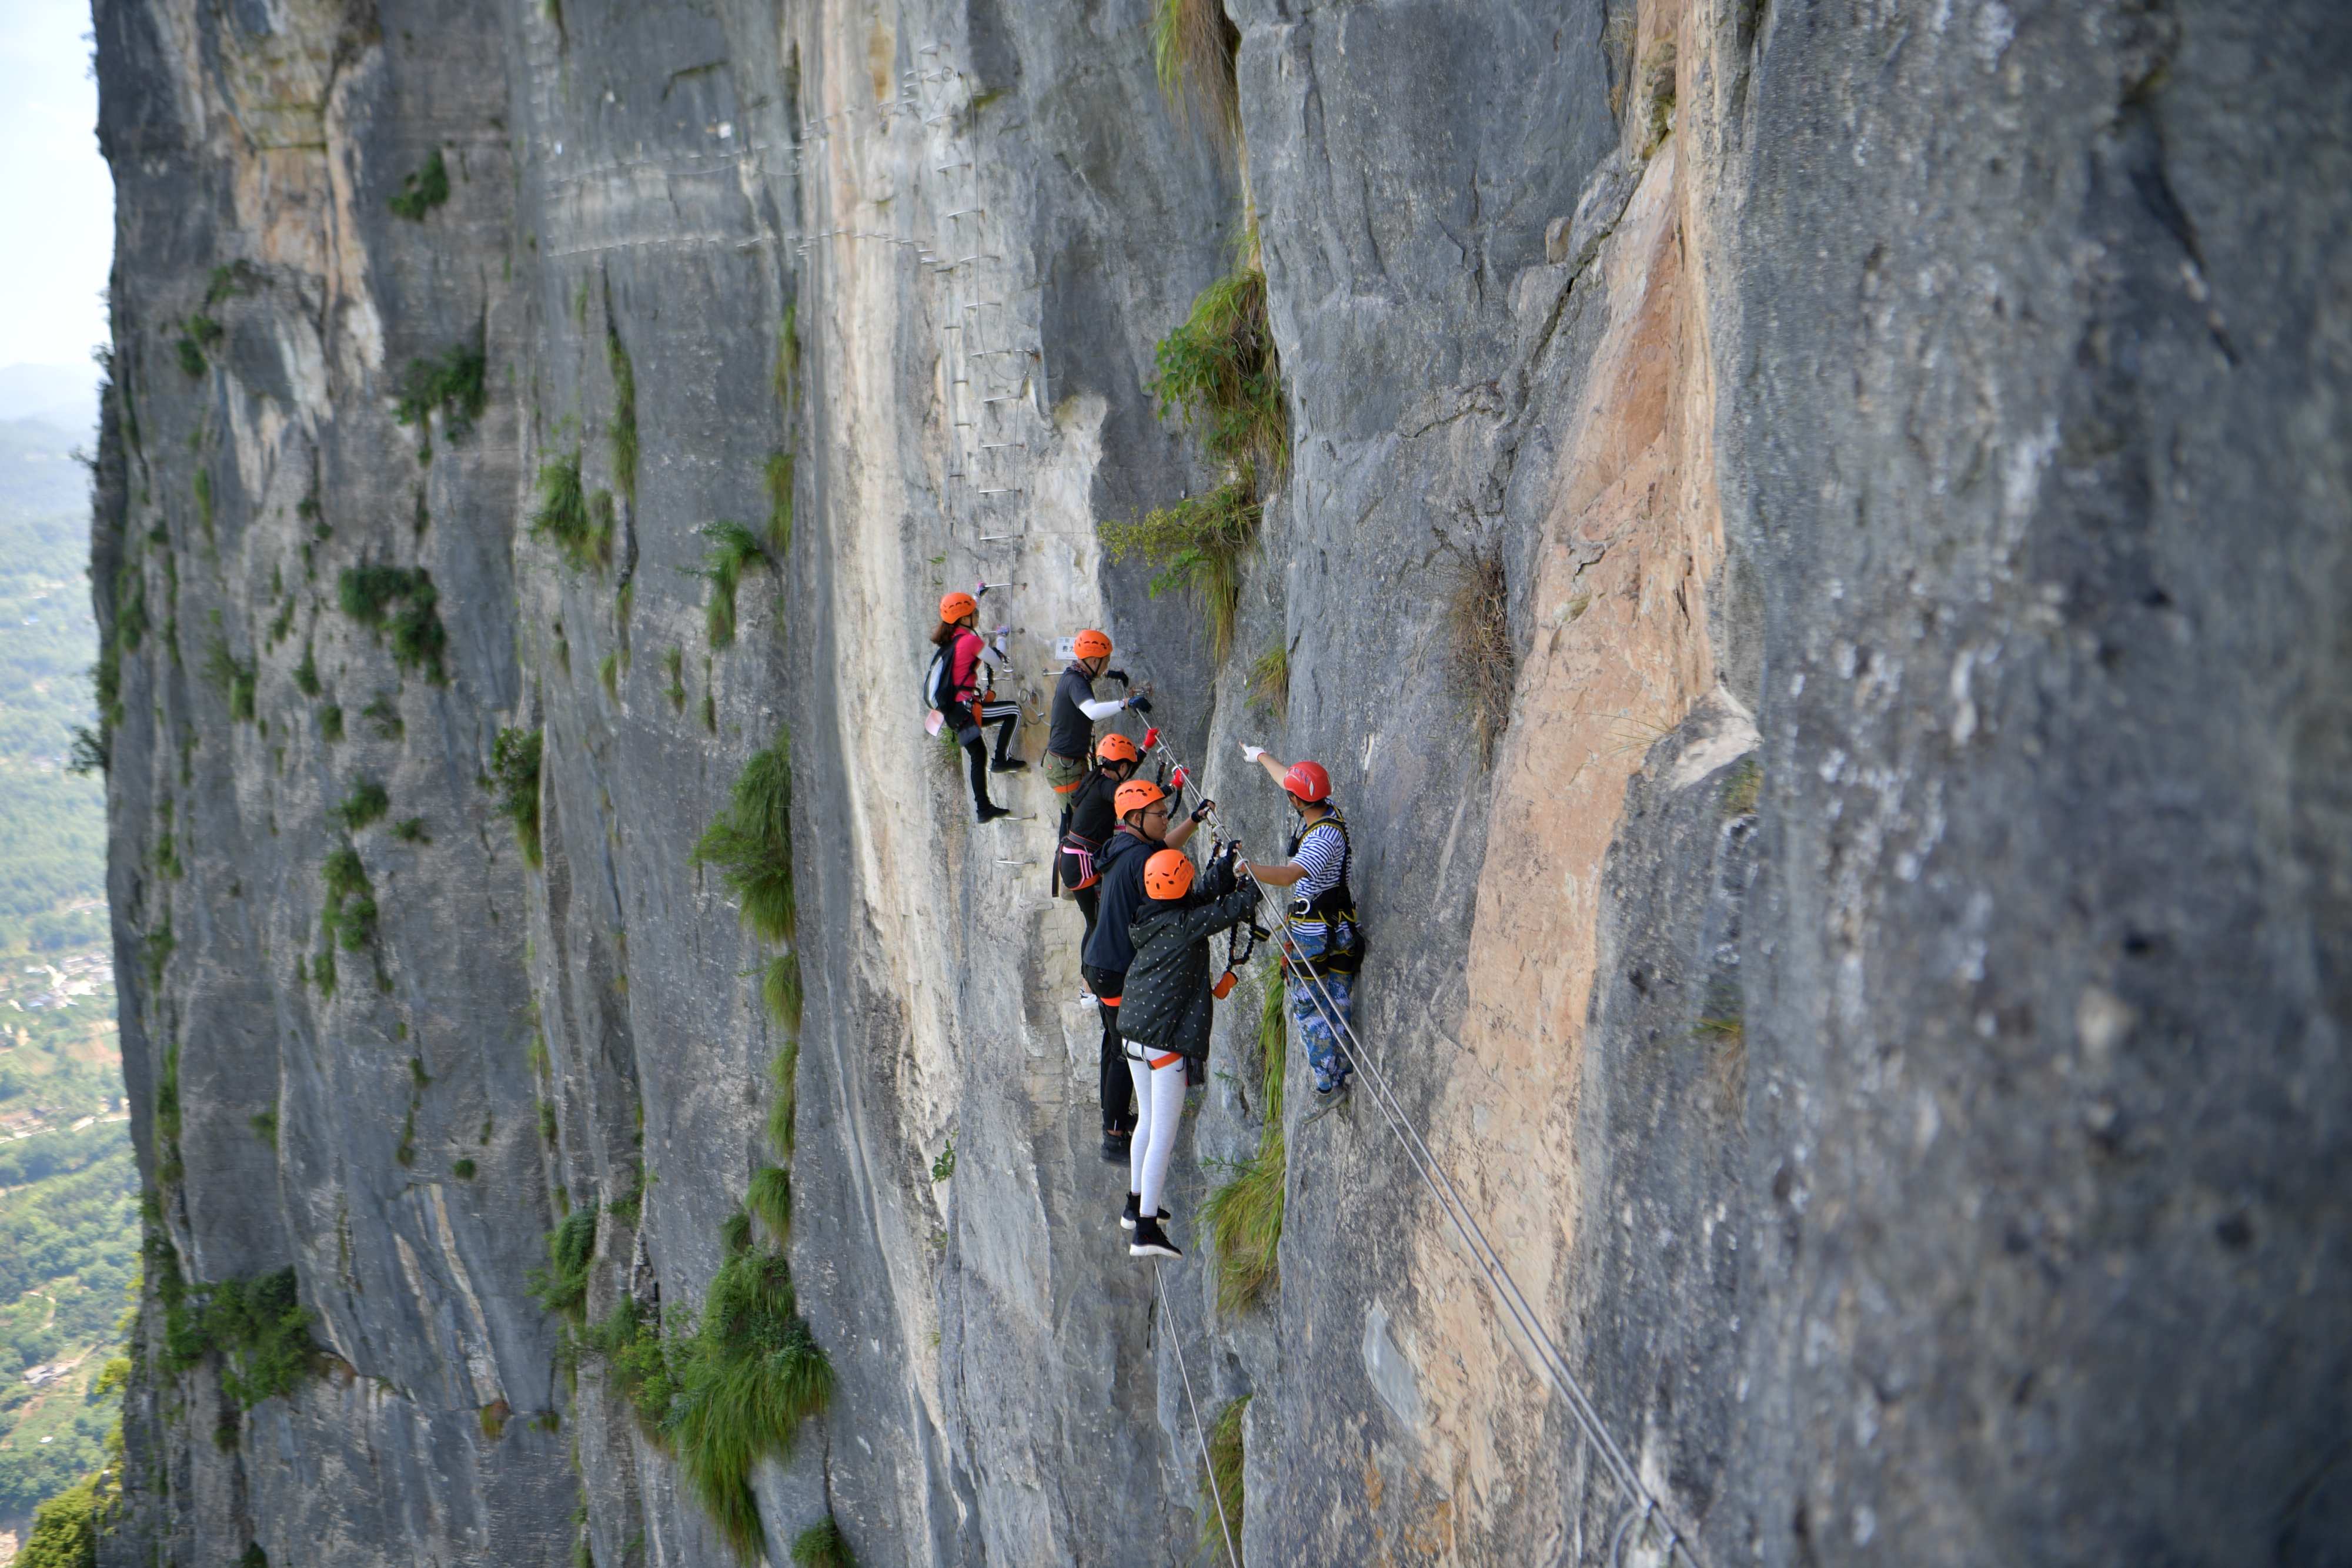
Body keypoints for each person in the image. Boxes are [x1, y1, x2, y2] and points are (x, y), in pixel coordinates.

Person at [1115, 844, 1258, 1259]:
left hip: (1134, 1036)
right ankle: (1144, 1229)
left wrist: (1224, 867)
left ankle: (1134, 1203)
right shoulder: (1184, 923)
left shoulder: (1151, 915)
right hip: (1163, 1045)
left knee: (1146, 1122)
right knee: (1163, 1132)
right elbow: (1230, 909)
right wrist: (1247, 882)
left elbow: (1196, 898)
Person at [1079, 776, 1211, 1162]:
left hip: (1102, 961)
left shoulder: (1124, 846)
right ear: (1136, 817)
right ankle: (1115, 1137)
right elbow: (1162, 867)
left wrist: (1194, 821)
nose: (1166, 818)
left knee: (1115, 1041)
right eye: (1159, 813)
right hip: (1116, 968)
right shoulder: (1139, 857)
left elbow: (1161, 852)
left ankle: (1114, 1123)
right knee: (1126, 1050)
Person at [1239, 748, 1361, 1108]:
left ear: (1298, 800)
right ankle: (1341, 1065)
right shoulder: (1327, 809)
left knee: (1310, 1007)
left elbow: (1291, 874)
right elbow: (1290, 780)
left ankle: (1328, 1085)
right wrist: (1260, 756)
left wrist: (1250, 867)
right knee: (1337, 996)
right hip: (1339, 925)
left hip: (1312, 931)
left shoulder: (1321, 840)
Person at [1055, 733, 1142, 1147]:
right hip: (1082, 860)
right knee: (1098, 920)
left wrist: (1142, 748)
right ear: (1119, 766)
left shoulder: (1095, 779)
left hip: (1070, 858)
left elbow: (1126, 786)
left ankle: (1088, 981)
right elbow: (1131, 795)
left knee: (1095, 918)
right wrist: (1172, 789)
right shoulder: (1110, 785)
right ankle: (1087, 983)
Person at [928, 591, 1024, 823]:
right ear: (964, 619)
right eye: (975, 613)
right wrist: (1002, 637)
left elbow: (963, 616)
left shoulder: (950, 640)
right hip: (968, 710)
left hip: (953, 713)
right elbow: (997, 663)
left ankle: (983, 809)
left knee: (978, 755)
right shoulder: (970, 641)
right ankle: (1002, 758)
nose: (977, 615)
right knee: (1014, 711)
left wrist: (976, 596)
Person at [1043, 629, 1150, 797]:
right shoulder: (1076, 682)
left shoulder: (1075, 673)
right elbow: (1092, 711)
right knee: (1075, 819)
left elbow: (1090, 670)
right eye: (1105, 662)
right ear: (1093, 661)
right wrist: (1125, 704)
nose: (1106, 666)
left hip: (1069, 763)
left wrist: (1110, 674)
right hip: (1065, 768)